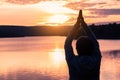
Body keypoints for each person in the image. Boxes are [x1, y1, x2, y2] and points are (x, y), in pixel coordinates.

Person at [64, 10, 102, 80]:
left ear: (77, 49)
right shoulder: (96, 60)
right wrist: (84, 25)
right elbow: (95, 43)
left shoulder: (73, 61)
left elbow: (67, 43)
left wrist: (77, 25)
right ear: (91, 48)